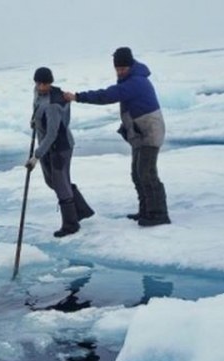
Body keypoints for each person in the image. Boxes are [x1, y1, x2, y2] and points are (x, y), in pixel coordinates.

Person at [64, 47, 171, 227]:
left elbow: (108, 95)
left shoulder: (136, 81)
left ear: (130, 65)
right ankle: (146, 210)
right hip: (139, 132)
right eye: (118, 69)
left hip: (149, 132)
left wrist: (78, 97)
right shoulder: (130, 79)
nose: (120, 72)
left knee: (147, 173)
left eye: (123, 68)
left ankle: (159, 214)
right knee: (137, 173)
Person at [26, 67, 95, 238]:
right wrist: (35, 120)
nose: (42, 87)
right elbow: (37, 106)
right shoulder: (38, 93)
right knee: (53, 182)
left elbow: (52, 134)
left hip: (59, 147)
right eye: (40, 83)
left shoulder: (53, 104)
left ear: (50, 82)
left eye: (46, 84)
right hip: (48, 146)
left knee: (60, 183)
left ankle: (71, 224)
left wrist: (36, 156)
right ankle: (82, 210)